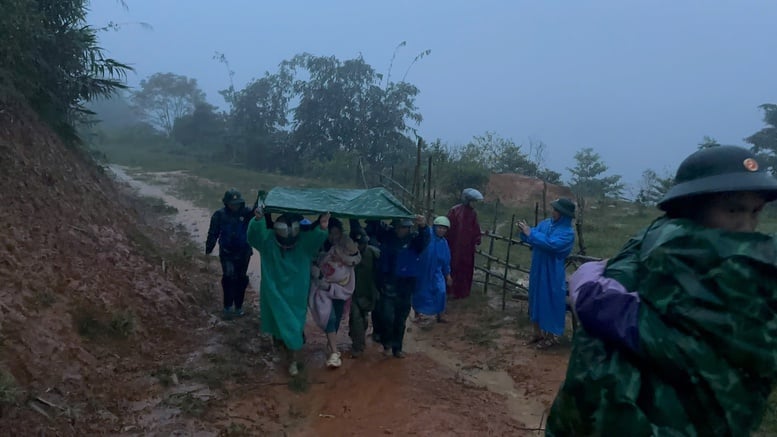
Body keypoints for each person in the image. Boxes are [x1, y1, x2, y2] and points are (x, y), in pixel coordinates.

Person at [546, 146, 777, 436]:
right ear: (689, 210)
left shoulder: (753, 281)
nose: (746, 226)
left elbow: (661, 337)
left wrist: (592, 293)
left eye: (755, 212)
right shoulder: (656, 264)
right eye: (733, 210)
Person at [247, 207, 330, 377]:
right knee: (278, 326)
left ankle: (293, 359)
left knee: (294, 326)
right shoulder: (268, 241)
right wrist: (257, 220)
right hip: (274, 293)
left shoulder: (304, 243)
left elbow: (317, 238)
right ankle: (283, 354)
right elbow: (254, 235)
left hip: (296, 295)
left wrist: (322, 226)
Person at [517, 198, 576, 350]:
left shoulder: (567, 233)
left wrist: (531, 234)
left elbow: (552, 244)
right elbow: (533, 236)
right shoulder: (546, 224)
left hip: (552, 272)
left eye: (556, 210)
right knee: (535, 298)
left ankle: (551, 337)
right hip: (538, 268)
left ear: (563, 214)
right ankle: (537, 333)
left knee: (549, 300)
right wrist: (524, 232)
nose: (553, 212)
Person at [309, 218, 361, 368]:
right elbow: (311, 259)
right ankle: (334, 351)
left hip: (342, 286)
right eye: (330, 234)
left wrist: (342, 259)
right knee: (329, 316)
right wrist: (317, 272)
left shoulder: (346, 242)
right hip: (323, 286)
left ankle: (331, 341)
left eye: (336, 233)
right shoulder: (318, 241)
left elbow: (356, 258)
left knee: (337, 316)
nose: (333, 237)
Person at [377, 215, 430, 358]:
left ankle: (397, 348)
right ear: (395, 227)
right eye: (401, 227)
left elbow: (424, 240)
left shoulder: (414, 241)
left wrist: (423, 226)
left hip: (406, 285)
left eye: (406, 227)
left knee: (401, 319)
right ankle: (386, 342)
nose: (403, 230)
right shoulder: (388, 239)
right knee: (387, 317)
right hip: (390, 283)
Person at [205, 188, 255, 319]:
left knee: (241, 278)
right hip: (227, 252)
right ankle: (227, 306)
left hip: (244, 251)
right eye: (232, 204)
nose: (235, 206)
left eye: (237, 203)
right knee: (228, 277)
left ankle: (238, 307)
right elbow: (213, 233)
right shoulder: (219, 215)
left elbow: (259, 221)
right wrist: (208, 248)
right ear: (226, 203)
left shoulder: (248, 213)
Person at [413, 216, 453, 327]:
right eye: (439, 228)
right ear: (435, 227)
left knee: (441, 291)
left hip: (436, 272)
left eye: (444, 229)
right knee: (420, 292)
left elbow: (446, 261)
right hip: (422, 271)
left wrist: (448, 275)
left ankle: (440, 314)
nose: (441, 230)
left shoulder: (444, 243)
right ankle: (417, 313)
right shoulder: (428, 236)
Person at [446, 188, 483, 299]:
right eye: (473, 201)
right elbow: (449, 228)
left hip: (468, 248)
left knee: (465, 269)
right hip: (455, 246)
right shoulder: (455, 211)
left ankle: (463, 292)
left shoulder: (473, 214)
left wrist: (477, 238)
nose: (475, 204)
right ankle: (450, 291)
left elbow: (475, 228)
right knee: (453, 267)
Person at [349, 230, 380, 358]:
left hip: (369, 291)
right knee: (356, 317)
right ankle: (358, 346)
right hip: (353, 292)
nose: (360, 246)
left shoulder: (374, 253)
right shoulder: (348, 254)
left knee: (363, 317)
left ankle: (359, 339)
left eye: (362, 243)